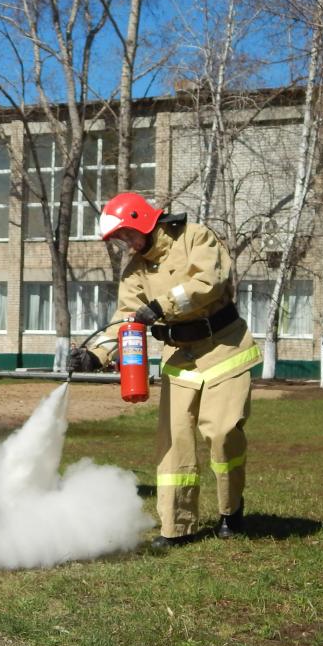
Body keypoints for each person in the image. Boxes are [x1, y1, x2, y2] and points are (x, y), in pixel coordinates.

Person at [67, 193, 260, 549]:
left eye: (126, 235)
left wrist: (160, 306)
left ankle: (231, 510)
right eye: (119, 239)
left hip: (225, 348)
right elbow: (124, 321)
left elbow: (208, 283)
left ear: (142, 219)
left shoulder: (195, 237)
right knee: (174, 443)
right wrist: (96, 356)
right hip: (181, 356)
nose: (126, 244)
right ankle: (176, 527)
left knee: (221, 433)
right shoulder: (135, 271)